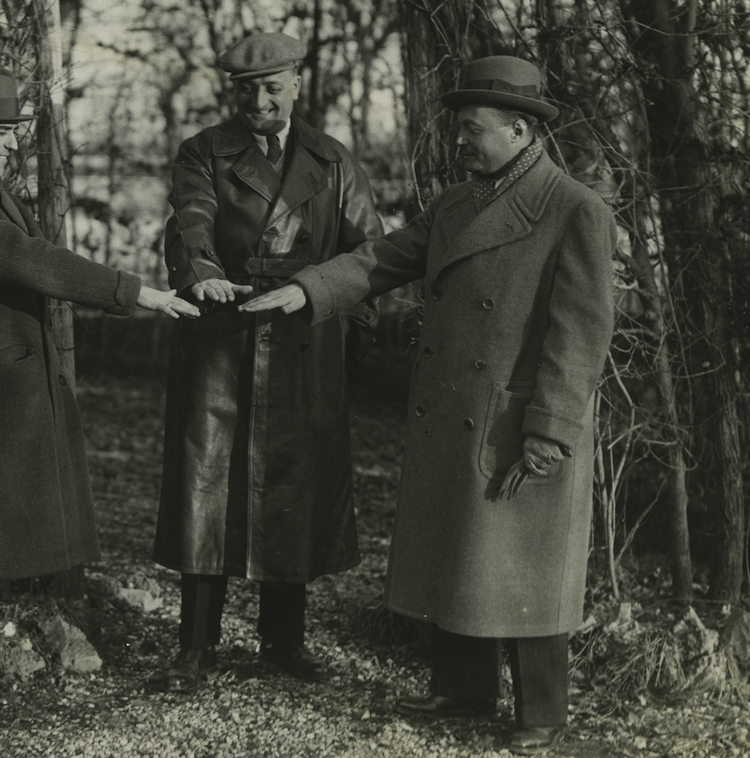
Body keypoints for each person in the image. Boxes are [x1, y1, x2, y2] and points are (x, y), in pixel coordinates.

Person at [242, 55, 616, 755]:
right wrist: (307, 291)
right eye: (460, 130)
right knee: (459, 550)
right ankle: (464, 688)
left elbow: (582, 333)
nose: (460, 143)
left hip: (519, 419)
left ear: (518, 129)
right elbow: (380, 259)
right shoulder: (456, 204)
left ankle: (542, 710)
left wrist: (552, 429)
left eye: (472, 129)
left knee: (527, 567)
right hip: (456, 409)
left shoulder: (575, 210)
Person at [0, 65, 199, 734]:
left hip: (1, 389)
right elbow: (27, 259)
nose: (15, 144)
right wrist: (131, 291)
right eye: (3, 132)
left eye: (17, 131)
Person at [152, 32, 383, 692]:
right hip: (223, 334)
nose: (259, 98)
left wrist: (311, 290)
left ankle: (284, 645)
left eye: (272, 86)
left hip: (304, 335)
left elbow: (373, 252)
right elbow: (189, 218)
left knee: (294, 485)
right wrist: (201, 272)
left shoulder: (335, 161)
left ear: (296, 86)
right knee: (208, 483)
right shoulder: (204, 151)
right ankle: (194, 648)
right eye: (246, 88)